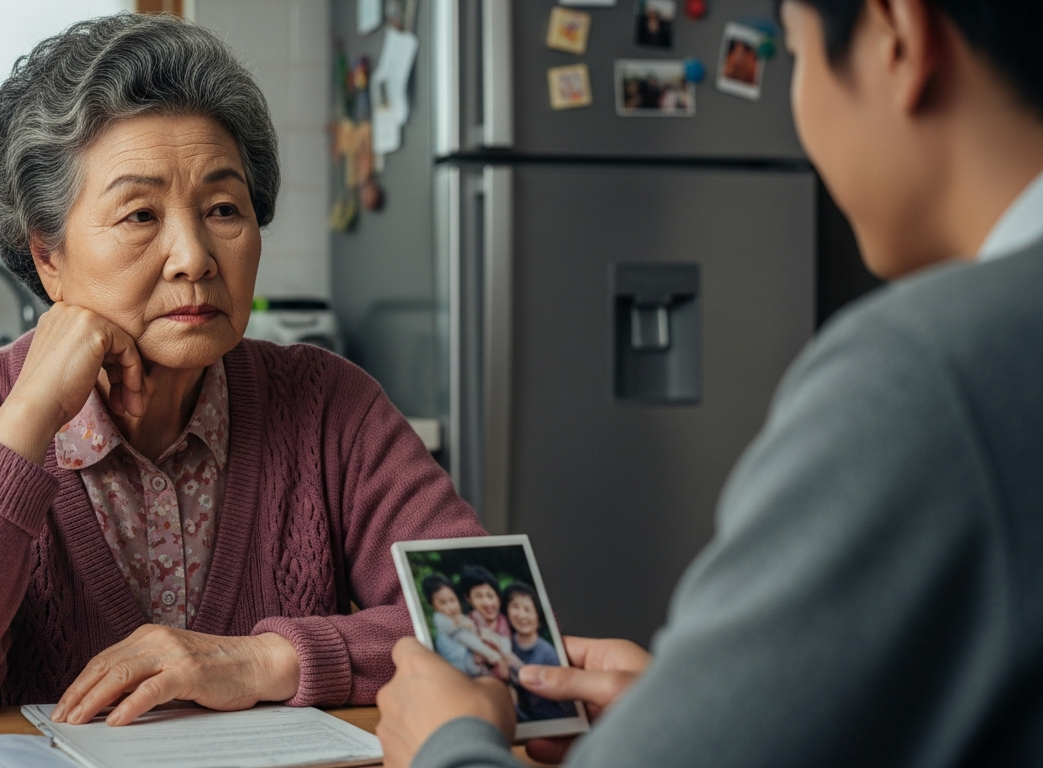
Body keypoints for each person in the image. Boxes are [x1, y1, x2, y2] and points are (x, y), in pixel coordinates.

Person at [376, 0, 1043, 765]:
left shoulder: (924, 370)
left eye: (790, 54)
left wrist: (448, 746)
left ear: (897, 36)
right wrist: (698, 715)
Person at [0, 13, 485, 727]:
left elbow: (498, 629)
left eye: (224, 208)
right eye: (139, 215)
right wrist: (28, 415)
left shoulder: (330, 406)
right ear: (47, 256)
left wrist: (260, 660)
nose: (194, 256)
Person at [501, 582, 566, 723]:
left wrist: (516, 666)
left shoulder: (548, 654)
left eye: (527, 609)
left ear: (538, 618)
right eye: (515, 607)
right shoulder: (505, 644)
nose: (521, 615)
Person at [425, 574, 503, 678]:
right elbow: (467, 638)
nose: (451, 607)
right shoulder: (440, 619)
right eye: (443, 603)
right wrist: (492, 655)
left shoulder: (457, 618)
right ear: (432, 605)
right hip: (461, 665)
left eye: (452, 600)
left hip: (467, 661)